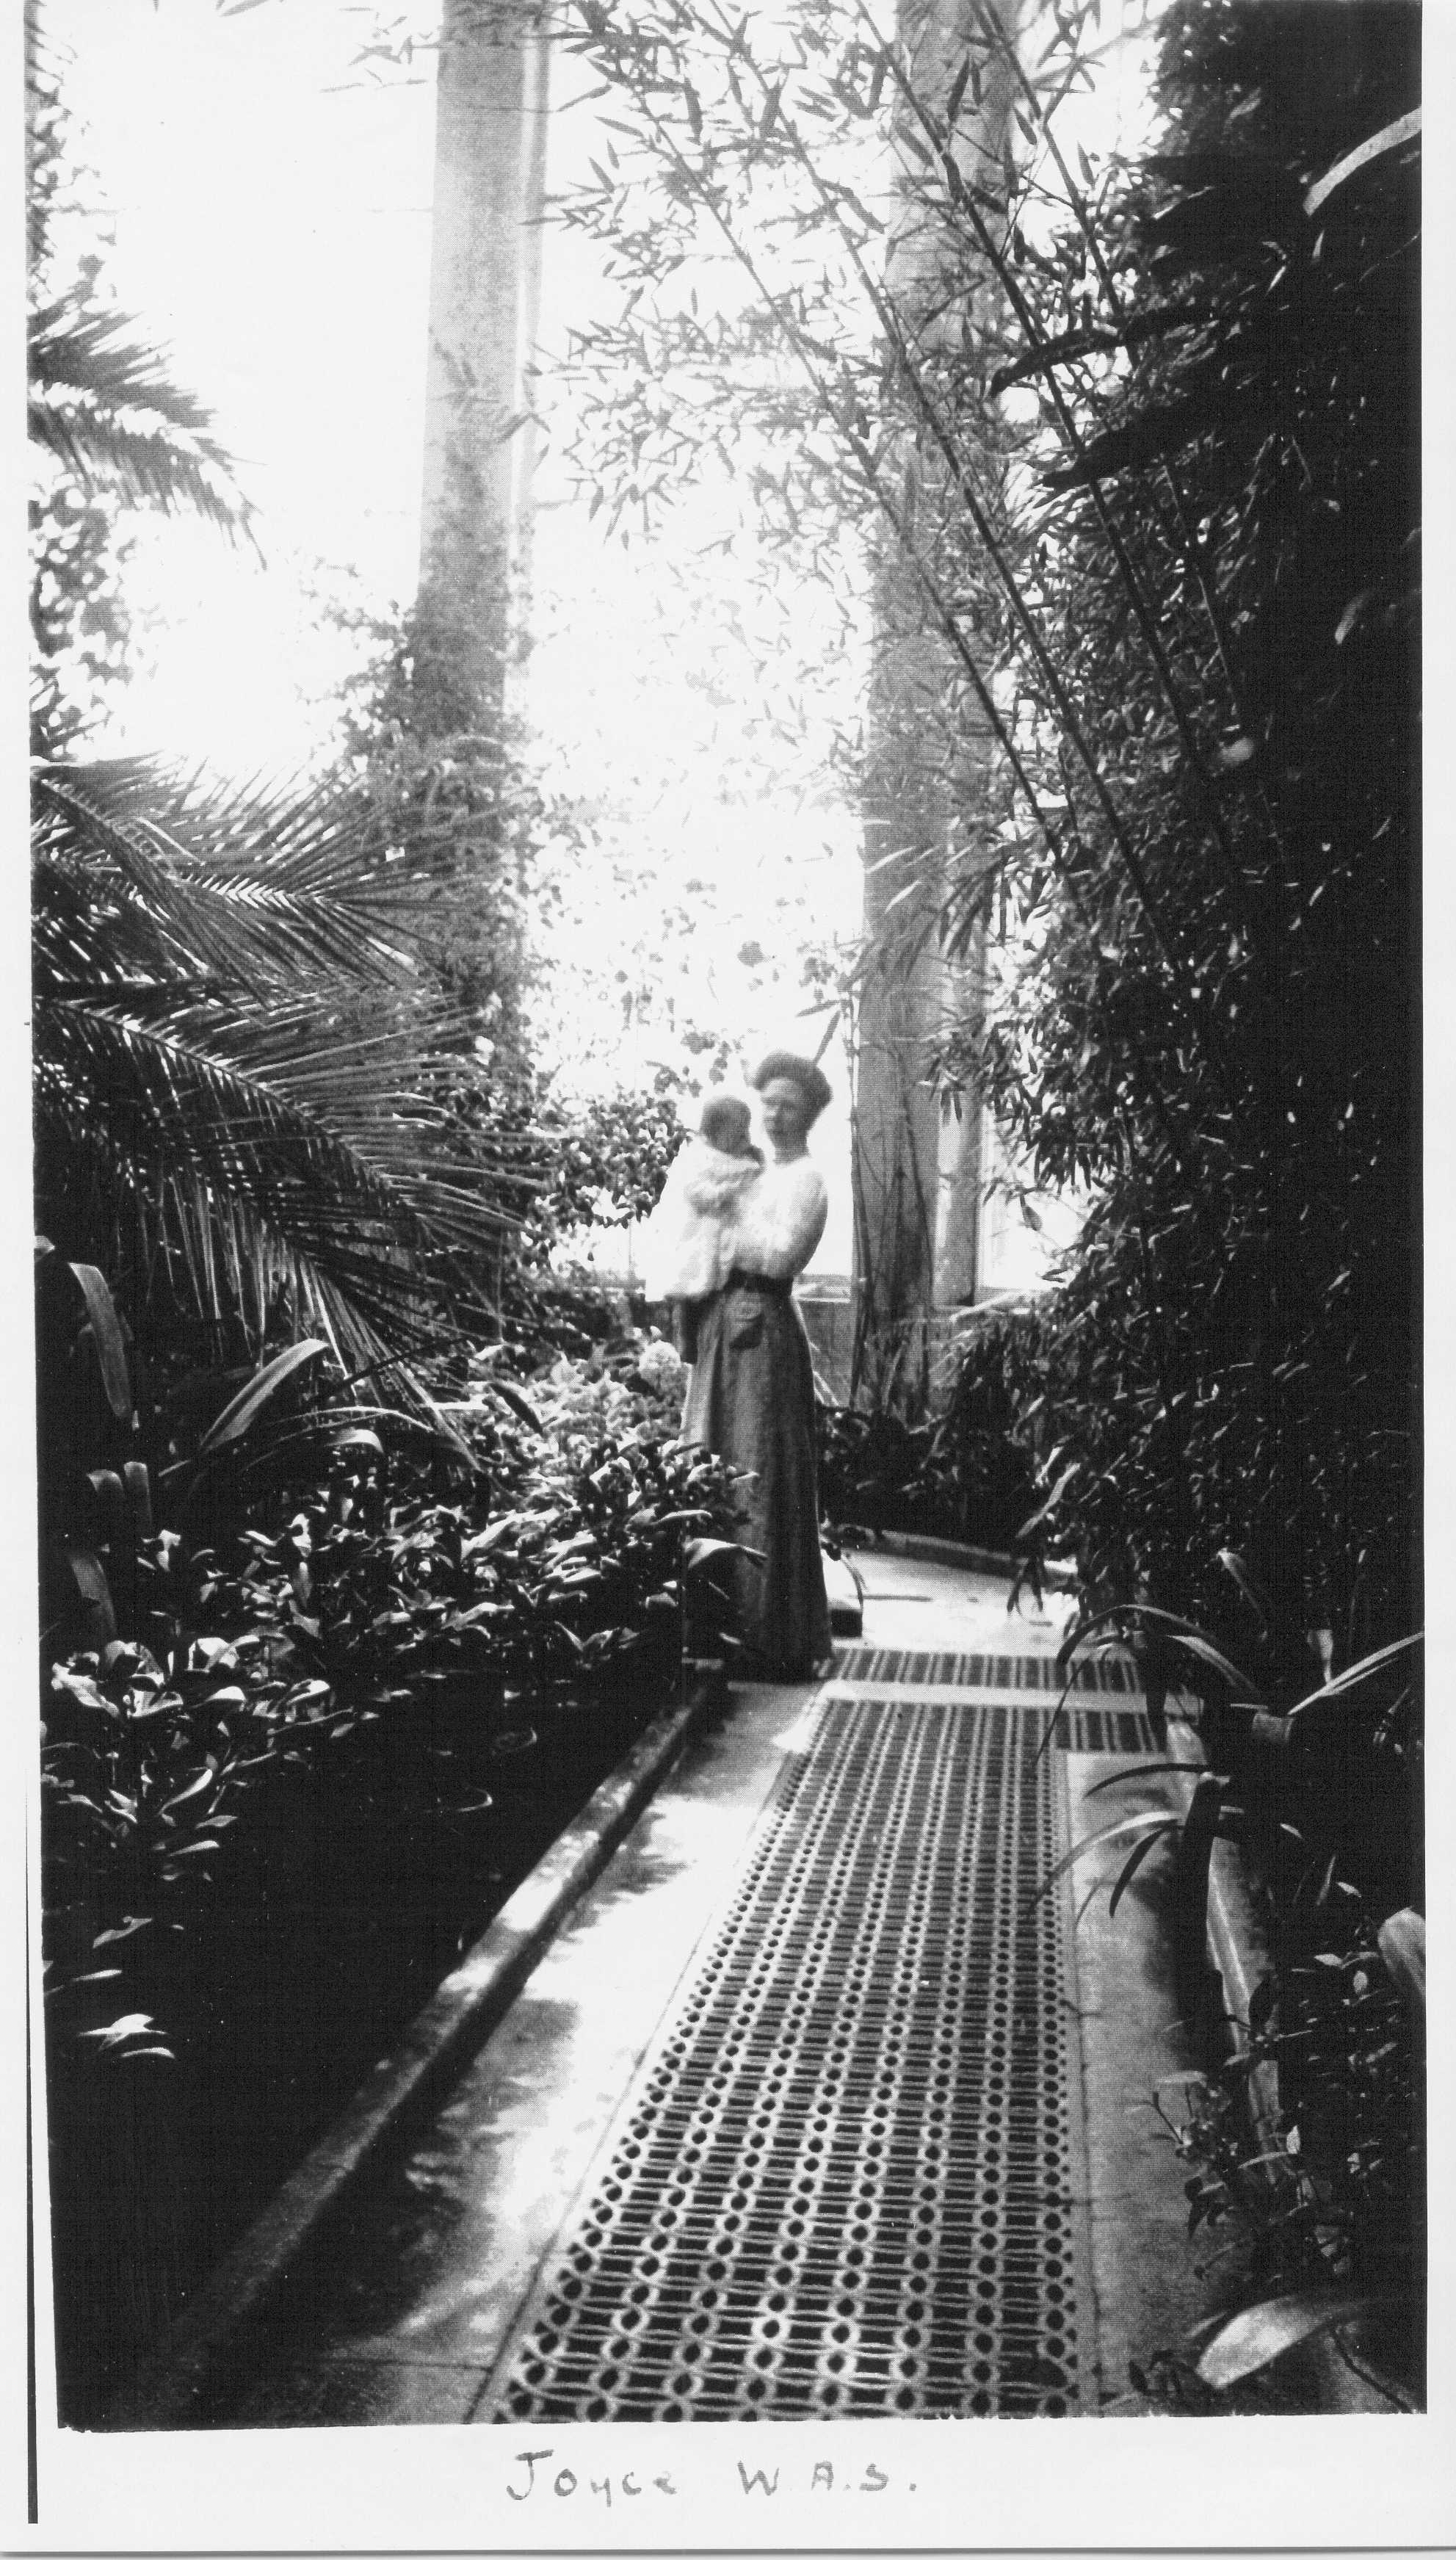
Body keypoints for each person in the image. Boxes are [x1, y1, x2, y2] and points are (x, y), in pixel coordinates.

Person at [681, 1050, 833, 1679]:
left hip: (762, 1330)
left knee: (759, 1469)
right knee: (710, 1461)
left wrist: (723, 1223)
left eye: (788, 1105)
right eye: (766, 1101)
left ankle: (766, 1635)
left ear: (809, 1115)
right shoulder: (751, 1170)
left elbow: (777, 1256)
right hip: (722, 1319)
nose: (772, 1114)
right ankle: (713, 1627)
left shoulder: (806, 1182)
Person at [640, 1093, 764, 1362]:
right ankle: (685, 1336)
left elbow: (756, 1181)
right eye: (737, 1133)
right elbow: (695, 1191)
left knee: (719, 1283)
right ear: (714, 1133)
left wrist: (752, 1167)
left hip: (725, 1231)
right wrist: (722, 1194)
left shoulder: (740, 1156)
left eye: (746, 1132)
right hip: (697, 1231)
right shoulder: (696, 1157)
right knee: (691, 1285)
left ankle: (711, 1330)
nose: (744, 1139)